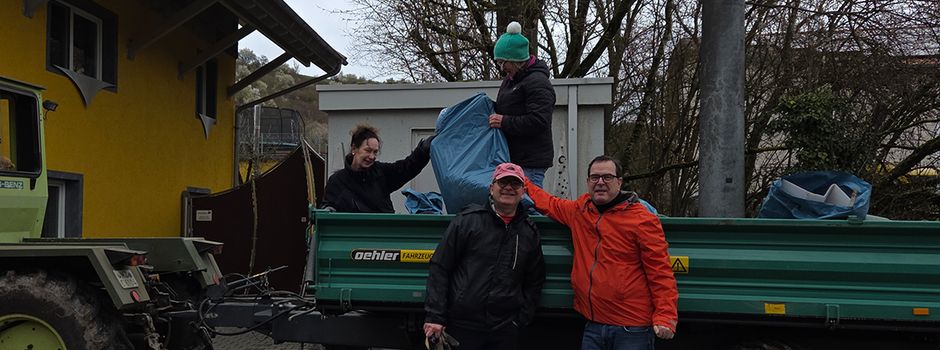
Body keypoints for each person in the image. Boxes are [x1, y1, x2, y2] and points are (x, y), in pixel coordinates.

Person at [525, 155, 678, 350]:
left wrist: (665, 316)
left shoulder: (642, 220)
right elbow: (550, 203)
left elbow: (660, 272)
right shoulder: (580, 211)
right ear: (588, 181)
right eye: (594, 177)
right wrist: (523, 181)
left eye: (607, 177)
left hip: (631, 328)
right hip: (594, 324)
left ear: (619, 182)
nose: (600, 183)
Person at [424, 162, 546, 350]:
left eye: (515, 184)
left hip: (504, 330)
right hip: (463, 327)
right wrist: (435, 316)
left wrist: (520, 320)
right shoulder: (468, 221)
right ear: (491, 188)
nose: (508, 188)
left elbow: (534, 280)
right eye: (503, 182)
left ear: (523, 192)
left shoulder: (529, 232)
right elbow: (440, 267)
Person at [488, 21, 556, 187]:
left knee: (527, 205)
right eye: (499, 62)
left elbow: (538, 121)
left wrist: (504, 122)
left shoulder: (538, 83)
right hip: (515, 159)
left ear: (516, 60)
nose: (502, 67)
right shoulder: (512, 81)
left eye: (503, 62)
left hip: (529, 162)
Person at [321, 124, 433, 213]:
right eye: (368, 150)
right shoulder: (337, 181)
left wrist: (423, 151)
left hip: (384, 236)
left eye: (375, 152)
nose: (372, 157)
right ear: (354, 148)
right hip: (352, 238)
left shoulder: (381, 173)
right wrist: (328, 210)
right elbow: (328, 207)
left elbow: (406, 167)